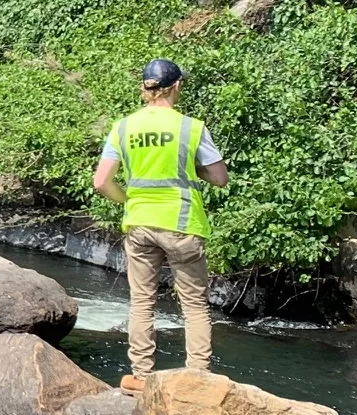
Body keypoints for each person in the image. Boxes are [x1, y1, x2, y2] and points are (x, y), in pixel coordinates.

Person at [90, 58, 229, 393]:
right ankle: (197, 378)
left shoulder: (123, 127)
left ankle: (141, 376)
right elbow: (220, 178)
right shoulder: (191, 128)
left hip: (139, 223)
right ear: (177, 86)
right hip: (182, 224)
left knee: (142, 301)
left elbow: (101, 182)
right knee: (194, 306)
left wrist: (128, 201)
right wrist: (192, 169)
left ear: (145, 88)